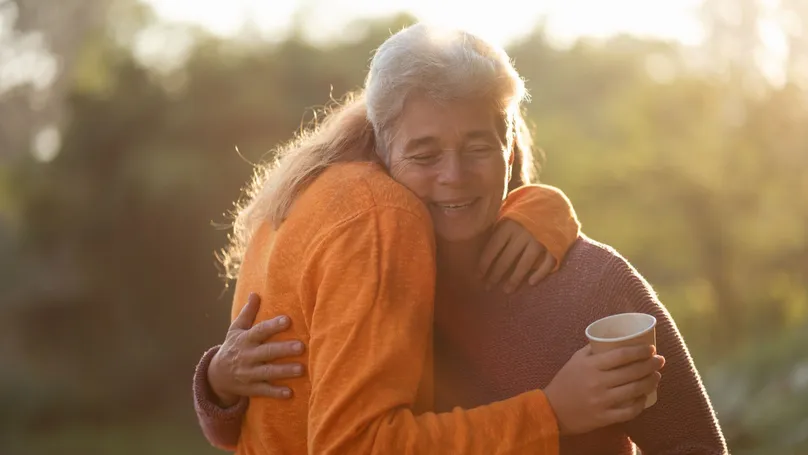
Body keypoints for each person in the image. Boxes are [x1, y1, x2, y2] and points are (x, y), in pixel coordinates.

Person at [195, 23, 673, 454]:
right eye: (424, 155)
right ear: (383, 151)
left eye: (478, 148)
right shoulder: (380, 218)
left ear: (508, 153)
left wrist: (546, 208)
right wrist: (550, 413)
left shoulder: (307, 193)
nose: (453, 175)